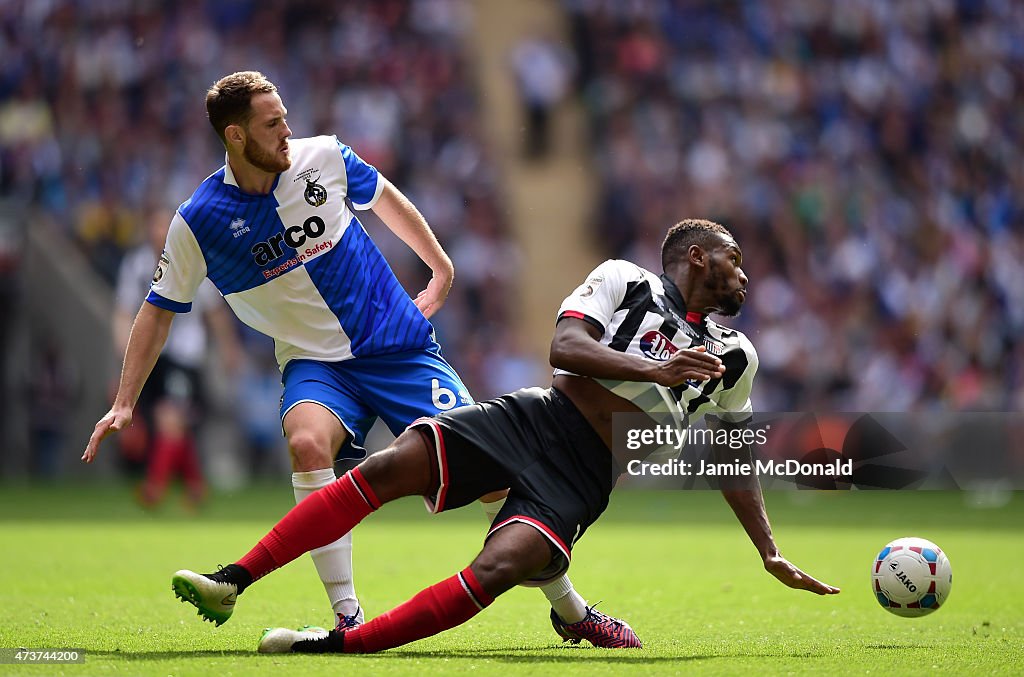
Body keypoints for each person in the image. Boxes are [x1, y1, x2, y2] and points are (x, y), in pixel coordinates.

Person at [83, 71, 618, 644]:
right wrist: (124, 402)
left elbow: (385, 198)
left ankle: (571, 610)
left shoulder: (324, 157)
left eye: (285, 116)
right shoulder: (199, 222)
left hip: (398, 349)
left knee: (493, 483)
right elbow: (158, 310)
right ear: (235, 137)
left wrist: (440, 267)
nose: (287, 130)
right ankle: (347, 616)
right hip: (316, 365)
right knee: (307, 443)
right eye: (272, 123)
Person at [170, 219, 841, 654]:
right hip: (534, 417)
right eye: (735, 259)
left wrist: (768, 549)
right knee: (388, 467)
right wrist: (653, 367)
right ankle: (232, 578)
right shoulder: (623, 279)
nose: (746, 274)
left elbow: (731, 457)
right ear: (698, 257)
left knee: (497, 569)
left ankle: (337, 645)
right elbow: (566, 344)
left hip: (585, 477)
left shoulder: (737, 356)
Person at [113, 208, 241, 507]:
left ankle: (154, 487)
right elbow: (123, 311)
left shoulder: (193, 259)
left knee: (170, 420)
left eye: (165, 226)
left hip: (184, 355)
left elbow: (214, 313)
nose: (160, 232)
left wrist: (228, 348)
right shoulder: (137, 265)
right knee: (174, 424)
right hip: (152, 357)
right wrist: (125, 350)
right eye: (155, 226)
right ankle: (196, 486)